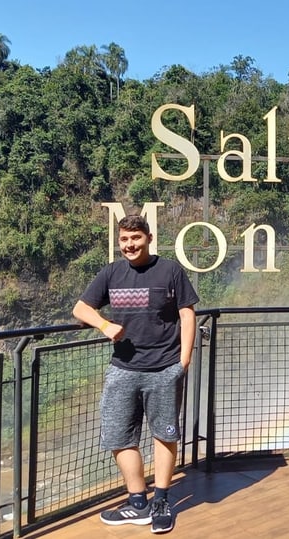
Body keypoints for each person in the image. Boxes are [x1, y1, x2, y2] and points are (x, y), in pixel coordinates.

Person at [72, 215, 198, 534]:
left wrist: (183, 361)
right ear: (119, 241)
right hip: (123, 369)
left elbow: (187, 314)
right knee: (117, 435)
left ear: (149, 238)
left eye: (136, 238)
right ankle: (138, 501)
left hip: (164, 367)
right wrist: (103, 324)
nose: (130, 245)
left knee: (164, 434)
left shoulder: (169, 270)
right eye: (124, 240)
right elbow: (80, 308)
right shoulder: (111, 272)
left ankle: (161, 501)